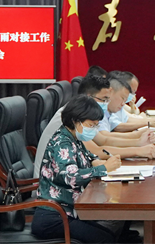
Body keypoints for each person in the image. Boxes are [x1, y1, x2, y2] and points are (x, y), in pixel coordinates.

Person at [32, 95, 124, 244]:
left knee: (110, 234)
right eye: (91, 125)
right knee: (104, 239)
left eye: (96, 125)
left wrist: (96, 161)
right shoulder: (62, 143)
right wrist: (103, 168)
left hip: (68, 211)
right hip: (53, 216)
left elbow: (88, 156)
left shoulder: (73, 138)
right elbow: (71, 177)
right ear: (76, 120)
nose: (94, 129)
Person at [34, 75, 155, 178]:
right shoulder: (73, 117)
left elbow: (103, 140)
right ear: (88, 97)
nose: (106, 104)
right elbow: (98, 151)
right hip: (51, 186)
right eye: (103, 99)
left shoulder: (85, 115)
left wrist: (138, 142)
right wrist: (138, 150)